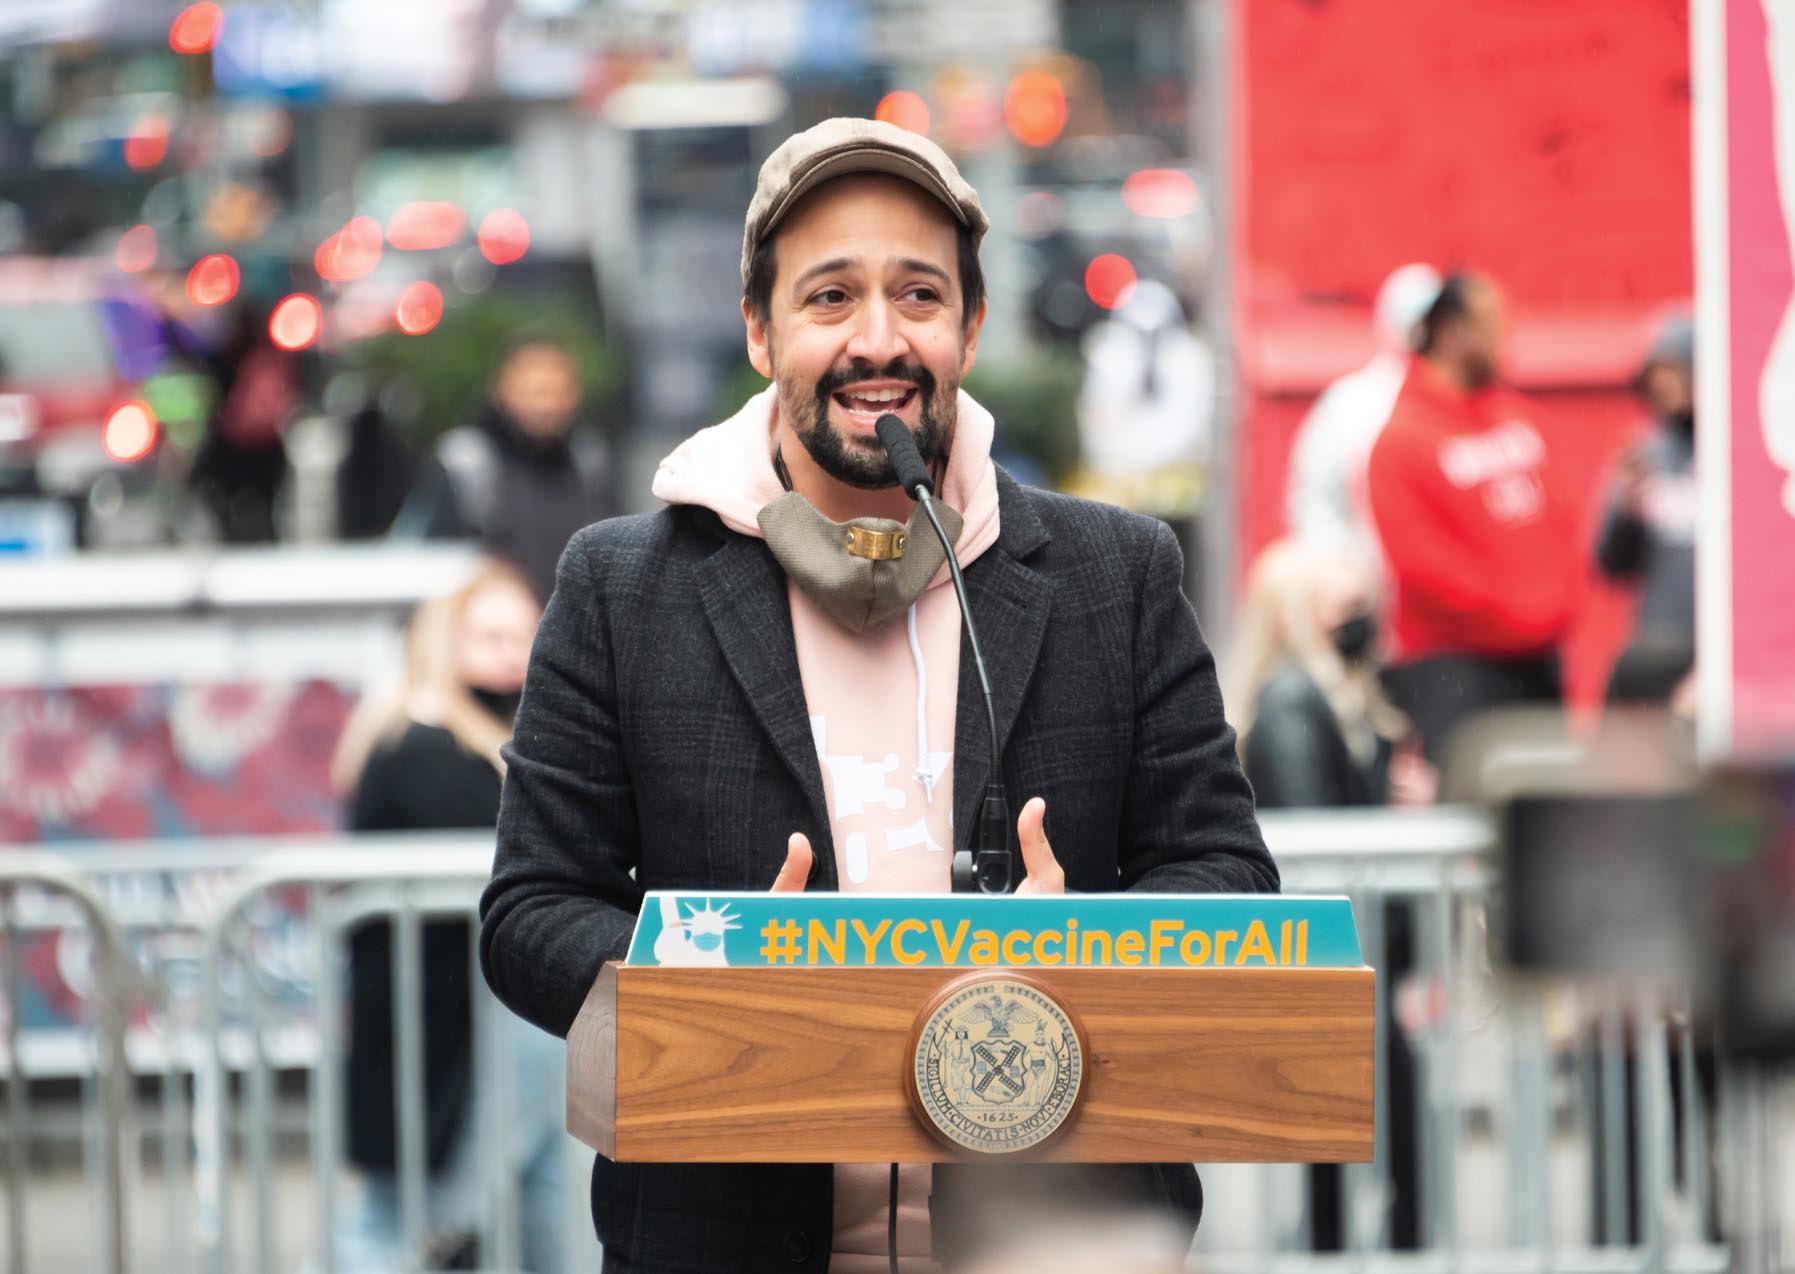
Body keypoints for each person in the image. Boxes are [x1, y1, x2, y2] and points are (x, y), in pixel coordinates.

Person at [478, 117, 1277, 1274]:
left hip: (1055, 1234)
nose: (877, 339)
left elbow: (1230, 874)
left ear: (970, 326)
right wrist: (721, 970)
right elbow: (530, 911)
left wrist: (1094, 951)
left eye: (917, 295)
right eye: (828, 298)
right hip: (724, 1239)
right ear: (759, 330)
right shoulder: (622, 586)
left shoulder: (1118, 573)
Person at [331, 559, 565, 1273]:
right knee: (398, 1224)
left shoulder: (476, 735)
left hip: (466, 1035)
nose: (512, 653)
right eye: (490, 634)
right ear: (443, 642)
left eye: (525, 633)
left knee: (514, 1208)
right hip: (435, 1041)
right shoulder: (423, 743)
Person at [1228, 536, 1430, 1250]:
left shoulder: (1348, 697)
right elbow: (1321, 826)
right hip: (1339, 960)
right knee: (1352, 1144)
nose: (1363, 620)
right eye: (1345, 606)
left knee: (1381, 1137)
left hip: (1362, 959)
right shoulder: (1291, 701)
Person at [1364, 272, 1583, 768]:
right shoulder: (1400, 442)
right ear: (1450, 331)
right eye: (1490, 325)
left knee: (1545, 827)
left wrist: (1552, 609)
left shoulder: (1521, 417)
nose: (1502, 340)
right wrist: (1520, 613)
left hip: (1538, 661)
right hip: (1455, 672)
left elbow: (1562, 524)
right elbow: (1422, 568)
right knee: (1473, 827)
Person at [392, 336, 617, 603]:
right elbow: (430, 561)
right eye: (534, 390)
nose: (546, 404)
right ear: (501, 389)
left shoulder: (588, 458)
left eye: (557, 390)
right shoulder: (465, 462)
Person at [1286, 263, 1442, 554]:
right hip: (1370, 581)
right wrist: (1344, 574)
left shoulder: (1464, 405)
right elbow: (1316, 502)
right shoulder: (1353, 405)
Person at [1596, 311, 1696, 706]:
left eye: (1673, 369)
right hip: (1660, 648)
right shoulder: (1643, 452)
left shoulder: (1743, 456)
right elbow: (1609, 563)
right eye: (1655, 373)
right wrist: (1626, 512)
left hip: (1730, 649)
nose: (1662, 383)